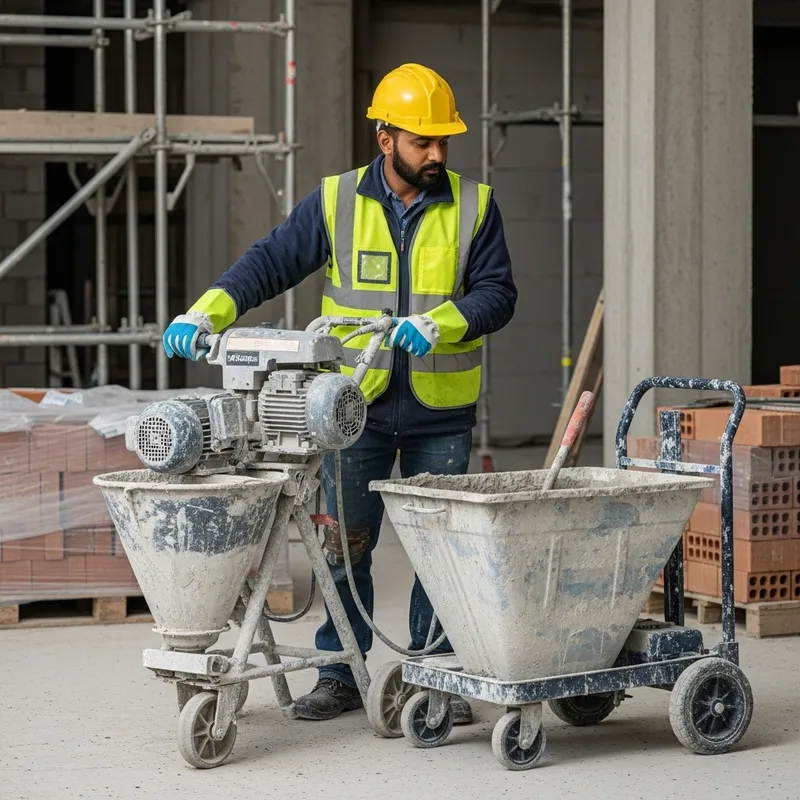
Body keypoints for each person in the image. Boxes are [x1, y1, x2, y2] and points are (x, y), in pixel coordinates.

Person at [163, 63, 517, 722]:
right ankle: (341, 673)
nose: (437, 154)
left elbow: (498, 295)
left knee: (440, 555)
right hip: (351, 409)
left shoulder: (475, 205)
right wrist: (207, 311)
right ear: (385, 138)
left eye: (443, 141)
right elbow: (268, 263)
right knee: (344, 546)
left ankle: (433, 672)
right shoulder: (336, 202)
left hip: (441, 415)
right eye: (422, 142)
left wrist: (438, 323)